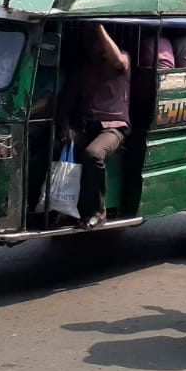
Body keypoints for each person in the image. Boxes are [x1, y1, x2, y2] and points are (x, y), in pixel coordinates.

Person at [59, 23, 131, 230]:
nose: (91, 44)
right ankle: (64, 206)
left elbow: (117, 60)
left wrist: (98, 27)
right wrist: (63, 126)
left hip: (114, 128)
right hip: (85, 125)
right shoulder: (82, 68)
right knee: (58, 146)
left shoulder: (122, 59)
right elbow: (66, 100)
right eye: (88, 39)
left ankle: (98, 211)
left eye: (95, 40)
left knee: (93, 154)